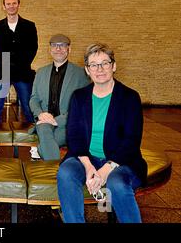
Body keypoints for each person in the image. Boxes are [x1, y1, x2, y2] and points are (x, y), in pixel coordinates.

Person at [57, 43, 148, 223]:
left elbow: (131, 140)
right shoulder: (79, 96)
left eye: (105, 63)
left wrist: (105, 170)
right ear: (87, 70)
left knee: (116, 183)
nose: (100, 69)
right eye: (93, 65)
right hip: (86, 158)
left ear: (114, 66)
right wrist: (89, 167)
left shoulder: (129, 97)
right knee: (66, 172)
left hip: (121, 162)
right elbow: (74, 137)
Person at [29, 34, 89, 160]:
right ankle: (55, 173)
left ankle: (43, 153)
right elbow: (34, 99)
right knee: (44, 128)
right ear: (49, 49)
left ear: (69, 49)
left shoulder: (81, 74)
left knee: (47, 142)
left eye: (62, 45)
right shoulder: (40, 72)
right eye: (55, 46)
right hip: (44, 120)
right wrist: (40, 114)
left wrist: (57, 120)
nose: (58, 49)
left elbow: (83, 105)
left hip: (68, 123)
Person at [0, 0, 38, 123]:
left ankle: (33, 138)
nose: (11, 6)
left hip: (23, 73)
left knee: (28, 107)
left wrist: (19, 64)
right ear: (3, 6)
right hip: (2, 72)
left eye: (14, 3)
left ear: (18, 5)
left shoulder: (29, 26)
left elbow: (33, 49)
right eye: (8, 4)